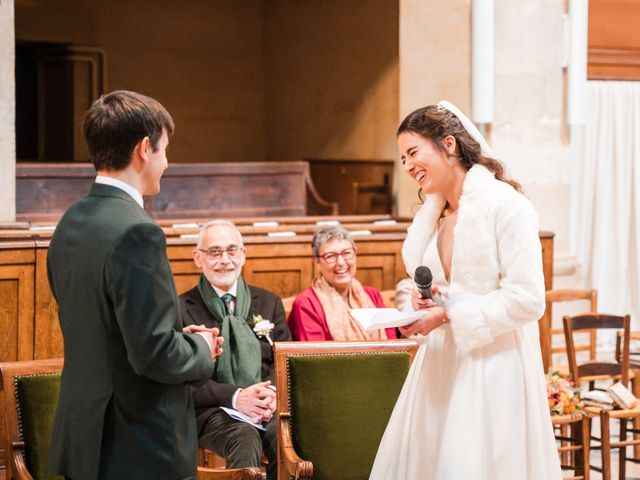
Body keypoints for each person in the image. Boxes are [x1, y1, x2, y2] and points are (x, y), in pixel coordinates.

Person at [369, 101, 561, 480]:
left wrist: (448, 313)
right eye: (402, 158)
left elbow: (527, 300)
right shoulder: (439, 217)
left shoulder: (508, 207)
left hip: (492, 364)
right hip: (439, 364)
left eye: (412, 153)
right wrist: (425, 303)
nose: (406, 167)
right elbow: (452, 289)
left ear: (450, 145)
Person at [47, 90, 223, 480]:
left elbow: (106, 329)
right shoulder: (137, 232)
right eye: (164, 150)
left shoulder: (71, 221)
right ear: (145, 148)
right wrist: (201, 347)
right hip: (137, 444)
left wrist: (176, 336)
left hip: (85, 437)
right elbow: (154, 355)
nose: (166, 162)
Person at [180, 220, 291, 480]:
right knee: (244, 434)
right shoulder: (181, 309)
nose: (225, 260)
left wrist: (271, 394)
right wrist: (236, 397)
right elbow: (183, 380)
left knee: (284, 434)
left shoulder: (269, 302)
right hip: (212, 410)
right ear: (198, 258)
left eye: (232, 250)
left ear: (243, 254)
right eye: (215, 252)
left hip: (267, 406)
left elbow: (284, 360)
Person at [287, 226, 397, 341]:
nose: (340, 262)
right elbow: (315, 356)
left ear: (355, 254)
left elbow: (394, 345)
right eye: (330, 256)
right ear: (317, 262)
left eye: (346, 253)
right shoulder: (306, 304)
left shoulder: (373, 295)